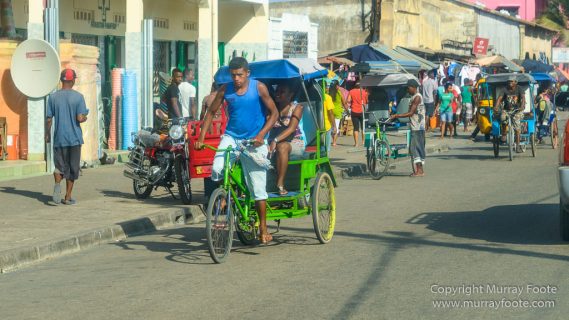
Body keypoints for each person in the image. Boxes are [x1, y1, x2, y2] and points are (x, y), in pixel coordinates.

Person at [194, 57, 278, 244]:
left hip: (254, 140)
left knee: (258, 189)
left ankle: (263, 228)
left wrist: (262, 135)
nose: (237, 79)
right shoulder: (225, 89)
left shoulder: (259, 88)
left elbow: (275, 114)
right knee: (216, 169)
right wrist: (201, 138)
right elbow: (209, 113)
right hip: (231, 136)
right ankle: (226, 194)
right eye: (233, 76)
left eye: (240, 75)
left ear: (247, 73)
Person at [46, 69, 89, 205]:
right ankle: (67, 197)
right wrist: (85, 117)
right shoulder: (78, 97)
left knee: (59, 166)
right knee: (72, 168)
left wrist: (47, 134)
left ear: (61, 80)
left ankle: (57, 185)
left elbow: (48, 119)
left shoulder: (53, 97)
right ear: (72, 80)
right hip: (74, 139)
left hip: (59, 138)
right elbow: (80, 118)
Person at [268, 81, 305, 195]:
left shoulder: (297, 107)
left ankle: (280, 183)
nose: (278, 94)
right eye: (276, 91)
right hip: (273, 145)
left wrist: (275, 140)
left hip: (294, 144)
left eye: (282, 92)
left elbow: (292, 128)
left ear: (290, 94)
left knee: (282, 146)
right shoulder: (272, 109)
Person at [390, 80, 426, 177]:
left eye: (408, 88)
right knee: (418, 149)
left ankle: (419, 171)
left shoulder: (417, 97)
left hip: (417, 128)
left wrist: (396, 115)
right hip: (418, 127)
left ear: (413, 87)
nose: (407, 90)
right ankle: (420, 171)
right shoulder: (414, 97)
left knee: (414, 149)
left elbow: (411, 113)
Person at [494, 76, 525, 152]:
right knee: (502, 117)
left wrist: (522, 106)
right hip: (507, 110)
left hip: (517, 110)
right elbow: (499, 98)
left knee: (517, 128)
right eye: (508, 82)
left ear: (515, 82)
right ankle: (504, 133)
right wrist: (496, 106)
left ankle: (517, 146)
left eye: (511, 81)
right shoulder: (504, 89)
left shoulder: (519, 88)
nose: (510, 83)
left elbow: (523, 98)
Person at [347, 82, 368, 147]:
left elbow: (348, 100)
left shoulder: (351, 91)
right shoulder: (364, 92)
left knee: (356, 128)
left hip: (354, 111)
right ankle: (363, 142)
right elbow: (367, 101)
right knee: (363, 128)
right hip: (362, 111)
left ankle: (356, 143)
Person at [329, 80, 347, 146]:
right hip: (337, 112)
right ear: (337, 86)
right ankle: (334, 142)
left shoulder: (328, 93)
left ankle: (332, 139)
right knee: (335, 127)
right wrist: (347, 111)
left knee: (330, 127)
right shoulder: (339, 93)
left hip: (329, 111)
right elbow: (344, 103)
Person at [323, 85, 337, 152]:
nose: (327, 88)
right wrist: (334, 126)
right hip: (326, 126)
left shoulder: (314, 96)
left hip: (314, 126)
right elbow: (330, 112)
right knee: (327, 147)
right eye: (326, 87)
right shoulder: (327, 97)